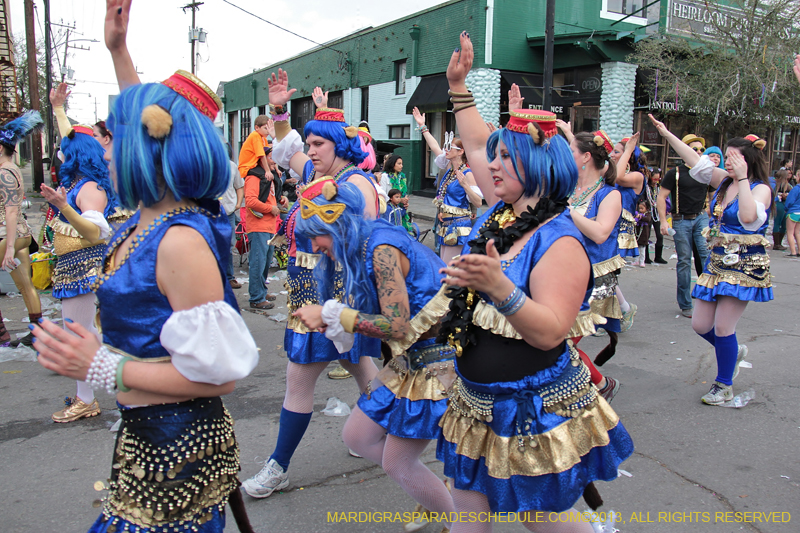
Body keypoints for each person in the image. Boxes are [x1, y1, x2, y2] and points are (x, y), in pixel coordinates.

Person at [33, 2, 259, 531]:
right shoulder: (146, 219)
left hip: (176, 453)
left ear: (145, 146)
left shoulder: (179, 240)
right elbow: (154, 120)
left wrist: (102, 367)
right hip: (149, 441)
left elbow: (220, 377)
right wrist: (118, 50)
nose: (105, 151)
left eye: (115, 138)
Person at [433, 33, 633, 532]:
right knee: (468, 519)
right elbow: (477, 142)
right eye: (493, 158)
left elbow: (548, 332)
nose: (491, 165)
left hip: (532, 409)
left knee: (541, 522)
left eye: (505, 158)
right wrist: (459, 89)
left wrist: (500, 287)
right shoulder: (500, 216)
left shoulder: (560, 240)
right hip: (475, 402)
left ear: (539, 163)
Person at [241, 76, 380, 498]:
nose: (311, 150)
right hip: (308, 294)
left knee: (297, 380)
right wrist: (280, 108)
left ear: (340, 146)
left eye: (320, 144)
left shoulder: (358, 184)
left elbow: (364, 239)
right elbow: (287, 147)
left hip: (333, 299)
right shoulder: (318, 171)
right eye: (312, 143)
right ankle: (383, 434)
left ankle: (278, 466)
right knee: (365, 374)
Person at [292, 178, 457, 530]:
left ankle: (457, 520)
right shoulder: (366, 241)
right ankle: (436, 495)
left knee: (397, 463)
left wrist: (331, 316)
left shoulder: (380, 248)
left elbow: (397, 326)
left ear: (336, 226)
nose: (315, 247)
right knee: (358, 437)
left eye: (317, 236)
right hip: (412, 358)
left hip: (437, 359)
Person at [650, 115, 773, 405]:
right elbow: (696, 161)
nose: (725, 162)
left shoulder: (760, 189)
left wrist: (742, 179)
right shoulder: (722, 181)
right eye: (726, 157)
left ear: (748, 161)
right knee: (700, 325)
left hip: (744, 266)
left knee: (722, 328)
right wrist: (667, 134)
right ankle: (732, 351)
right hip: (718, 262)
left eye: (732, 158)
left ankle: (724, 384)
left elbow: (747, 217)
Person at [44, 84, 125, 423]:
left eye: (63, 151)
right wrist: (59, 108)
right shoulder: (82, 179)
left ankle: (125, 394)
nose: (59, 153)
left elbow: (95, 232)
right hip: (76, 269)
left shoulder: (90, 188)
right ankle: (94, 397)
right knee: (82, 335)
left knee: (84, 337)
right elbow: (72, 140)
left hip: (86, 269)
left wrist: (65, 207)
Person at [568, 130, 625, 400]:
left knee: (561, 345)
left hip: (596, 280)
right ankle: (600, 384)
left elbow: (600, 233)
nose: (567, 156)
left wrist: (565, 212)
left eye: (572, 151)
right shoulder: (569, 189)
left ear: (586, 157)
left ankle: (602, 384)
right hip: (566, 275)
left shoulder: (610, 195)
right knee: (549, 341)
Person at [0, 111, 44, 347]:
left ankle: (2, 334)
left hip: (10, 235)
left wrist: (8, 248)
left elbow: (11, 211)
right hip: (21, 235)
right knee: (25, 285)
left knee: (25, 284)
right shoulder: (13, 169)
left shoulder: (4, 172)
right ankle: (37, 331)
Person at [656, 131, 710, 318]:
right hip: (681, 220)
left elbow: (715, 192)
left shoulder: (705, 171)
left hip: (701, 217)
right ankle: (686, 304)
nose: (699, 152)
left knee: (706, 255)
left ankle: (708, 296)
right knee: (685, 261)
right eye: (694, 149)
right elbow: (661, 197)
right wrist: (664, 221)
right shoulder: (675, 173)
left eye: (701, 149)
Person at [239, 115, 280, 310]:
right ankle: (256, 297)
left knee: (265, 264)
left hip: (270, 226)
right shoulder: (253, 177)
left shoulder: (268, 178)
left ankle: (261, 291)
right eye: (270, 156)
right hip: (259, 227)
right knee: (257, 262)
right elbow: (252, 202)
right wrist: (270, 208)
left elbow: (269, 198)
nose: (272, 159)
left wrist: (281, 200)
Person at [609, 134, 648, 331]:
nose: (612, 154)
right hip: (606, 227)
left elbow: (619, 177)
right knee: (602, 273)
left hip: (620, 232)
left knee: (604, 273)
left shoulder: (637, 176)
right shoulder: (611, 172)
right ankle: (622, 310)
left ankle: (618, 313)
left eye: (617, 151)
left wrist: (629, 149)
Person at [222, 143, 245, 289]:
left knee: (229, 246)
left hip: (228, 212)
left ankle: (229, 277)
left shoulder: (231, 166)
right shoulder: (207, 165)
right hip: (211, 214)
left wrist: (237, 204)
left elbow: (239, 186)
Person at [645, 169, 668, 264]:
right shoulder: (646, 187)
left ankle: (658, 256)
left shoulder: (659, 188)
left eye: (658, 179)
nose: (656, 180)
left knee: (660, 235)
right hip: (648, 212)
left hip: (657, 213)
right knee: (646, 235)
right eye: (654, 178)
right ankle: (646, 257)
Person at [772, 169, 791, 251]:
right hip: (780, 204)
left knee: (779, 223)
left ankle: (778, 243)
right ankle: (778, 243)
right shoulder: (783, 185)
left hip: (779, 204)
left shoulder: (776, 185)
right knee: (781, 224)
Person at [633, 200, 651, 267]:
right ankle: (636, 260)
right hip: (637, 234)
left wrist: (640, 217)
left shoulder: (647, 214)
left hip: (644, 235)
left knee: (642, 250)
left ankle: (642, 261)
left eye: (642, 208)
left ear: (647, 208)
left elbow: (648, 219)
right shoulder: (637, 214)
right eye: (639, 208)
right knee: (636, 249)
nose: (640, 210)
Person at [784, 182, 800, 257]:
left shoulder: (796, 189)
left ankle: (793, 252)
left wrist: (786, 208)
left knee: (790, 233)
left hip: (793, 211)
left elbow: (790, 201)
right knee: (797, 233)